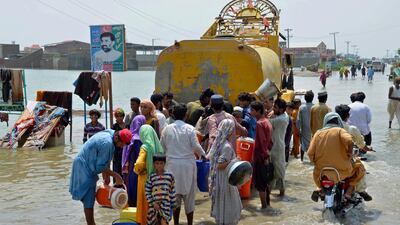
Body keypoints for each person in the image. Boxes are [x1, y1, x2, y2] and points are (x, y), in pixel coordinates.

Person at [69, 129, 132, 225]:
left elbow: (103, 159)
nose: (122, 147)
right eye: (121, 144)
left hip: (87, 164)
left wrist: (106, 175)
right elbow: (99, 166)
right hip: (84, 167)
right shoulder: (107, 143)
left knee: (89, 199)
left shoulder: (111, 133)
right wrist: (116, 175)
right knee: (89, 199)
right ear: (116, 138)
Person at [160, 104, 206, 225]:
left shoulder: (166, 129)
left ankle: (176, 223)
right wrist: (204, 155)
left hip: (171, 167)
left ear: (173, 115)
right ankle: (189, 223)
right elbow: (196, 146)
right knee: (189, 198)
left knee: (175, 197)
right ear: (186, 115)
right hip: (187, 166)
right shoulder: (190, 129)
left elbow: (162, 148)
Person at [308, 113, 366, 201]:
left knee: (319, 176)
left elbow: (310, 153)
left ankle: (320, 189)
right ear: (338, 121)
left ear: (325, 121)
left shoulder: (318, 133)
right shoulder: (339, 130)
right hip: (341, 170)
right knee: (360, 168)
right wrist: (349, 154)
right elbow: (350, 141)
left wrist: (316, 162)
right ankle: (349, 192)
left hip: (322, 171)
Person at [209, 119, 242, 225]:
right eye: (233, 129)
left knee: (222, 204)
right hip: (226, 179)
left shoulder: (218, 143)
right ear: (229, 130)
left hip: (219, 178)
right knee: (231, 207)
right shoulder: (227, 146)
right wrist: (235, 161)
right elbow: (220, 165)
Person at [134, 125, 164, 225]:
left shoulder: (145, 147)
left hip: (145, 181)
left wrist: (138, 170)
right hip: (157, 181)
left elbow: (138, 164)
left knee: (145, 206)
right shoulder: (158, 146)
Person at [250, 101, 273, 208]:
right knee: (266, 181)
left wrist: (263, 156)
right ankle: (267, 204)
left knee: (260, 184)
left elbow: (261, 143)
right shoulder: (267, 121)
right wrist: (267, 154)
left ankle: (264, 206)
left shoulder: (259, 123)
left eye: (252, 110)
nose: (250, 112)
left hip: (260, 157)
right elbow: (270, 142)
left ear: (258, 111)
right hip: (266, 155)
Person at [145, 154, 176, 225]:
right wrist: (153, 203)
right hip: (154, 205)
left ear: (165, 163)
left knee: (164, 221)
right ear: (154, 164)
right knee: (154, 222)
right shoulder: (152, 177)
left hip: (165, 205)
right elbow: (147, 191)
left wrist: (173, 204)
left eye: (161, 163)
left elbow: (172, 191)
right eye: (157, 163)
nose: (159, 165)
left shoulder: (169, 176)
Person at [122, 115, 146, 207]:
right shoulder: (139, 140)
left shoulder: (130, 137)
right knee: (137, 189)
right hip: (138, 169)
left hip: (129, 169)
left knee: (130, 188)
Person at [269, 98, 289, 196]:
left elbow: (266, 122)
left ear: (281, 110)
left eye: (275, 107)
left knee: (278, 172)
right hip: (277, 146)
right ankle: (278, 193)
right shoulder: (284, 115)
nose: (273, 108)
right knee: (276, 171)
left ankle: (279, 193)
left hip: (277, 148)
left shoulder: (280, 119)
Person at [297, 90, 314, 161]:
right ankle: (312, 160)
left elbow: (298, 120)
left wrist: (299, 129)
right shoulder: (314, 107)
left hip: (304, 129)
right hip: (313, 129)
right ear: (312, 98)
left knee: (303, 144)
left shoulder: (301, 108)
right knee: (313, 144)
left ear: (305, 98)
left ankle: (301, 160)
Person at [112, 108, 127, 180]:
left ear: (123, 116)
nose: (119, 118)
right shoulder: (114, 127)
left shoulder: (127, 126)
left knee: (125, 168)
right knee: (117, 169)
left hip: (126, 150)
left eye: (121, 116)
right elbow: (112, 140)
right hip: (117, 151)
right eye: (117, 116)